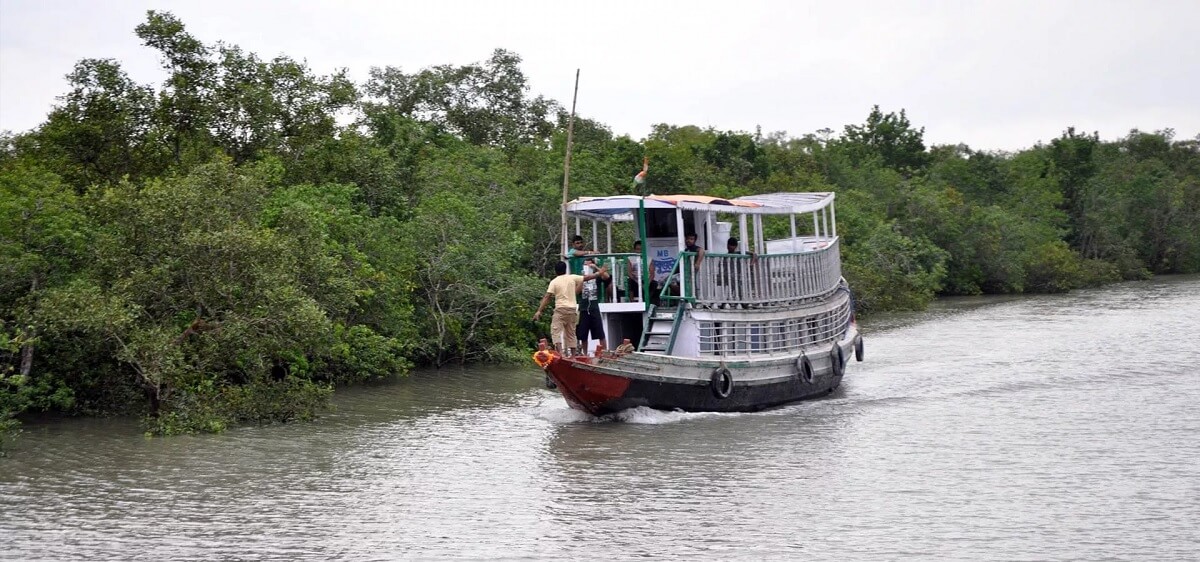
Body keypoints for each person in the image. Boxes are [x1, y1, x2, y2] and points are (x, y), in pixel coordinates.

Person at [533, 261, 607, 354]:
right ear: (565, 270)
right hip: (572, 309)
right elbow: (587, 278)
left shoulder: (554, 282)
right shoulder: (572, 277)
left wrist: (539, 311)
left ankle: (560, 353)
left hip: (560, 309)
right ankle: (573, 355)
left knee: (555, 331)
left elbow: (547, 297)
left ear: (555, 271)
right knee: (571, 333)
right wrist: (599, 272)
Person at [577, 258, 610, 355]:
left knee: (600, 332)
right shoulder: (579, 277)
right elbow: (577, 291)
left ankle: (604, 353)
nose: (587, 266)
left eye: (589, 265)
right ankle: (585, 353)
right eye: (585, 265)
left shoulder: (597, 276)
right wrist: (583, 279)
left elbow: (607, 277)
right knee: (583, 334)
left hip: (594, 307)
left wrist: (596, 267)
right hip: (583, 308)